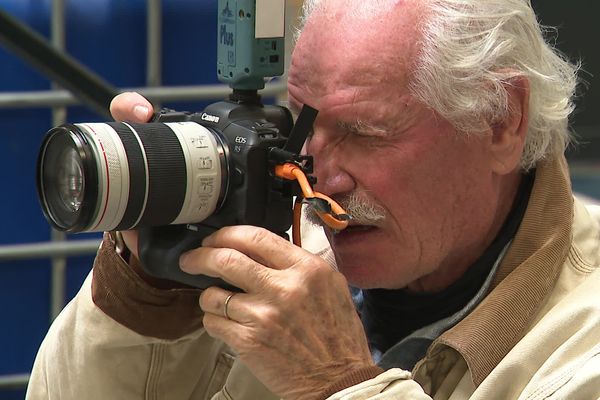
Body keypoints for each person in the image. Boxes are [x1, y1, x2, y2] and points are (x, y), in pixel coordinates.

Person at [27, 0, 600, 398]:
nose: (316, 174)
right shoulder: (280, 246)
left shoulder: (583, 344)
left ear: (501, 120)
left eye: (367, 133)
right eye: (300, 123)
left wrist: (338, 383)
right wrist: (145, 300)